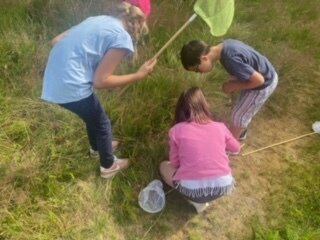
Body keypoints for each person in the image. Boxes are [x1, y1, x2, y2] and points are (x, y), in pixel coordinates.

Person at [41, 1, 157, 179]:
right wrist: (138, 75)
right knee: (102, 124)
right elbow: (101, 81)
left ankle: (96, 148)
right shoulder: (122, 37)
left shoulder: (98, 19)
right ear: (140, 21)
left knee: (92, 116)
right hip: (70, 84)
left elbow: (56, 40)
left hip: (53, 78)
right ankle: (108, 166)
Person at [159, 87, 240, 213]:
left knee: (163, 166)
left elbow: (174, 163)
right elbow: (236, 148)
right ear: (205, 105)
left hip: (191, 189)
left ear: (180, 110)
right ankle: (200, 200)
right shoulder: (220, 127)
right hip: (223, 186)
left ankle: (196, 201)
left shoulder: (176, 130)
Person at [180, 39, 278, 140]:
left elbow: (259, 80)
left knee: (238, 115)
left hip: (264, 84)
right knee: (241, 109)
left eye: (197, 70)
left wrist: (235, 85)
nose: (199, 73)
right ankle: (240, 132)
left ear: (204, 58)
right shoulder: (225, 46)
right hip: (262, 75)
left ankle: (233, 146)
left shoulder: (230, 59)